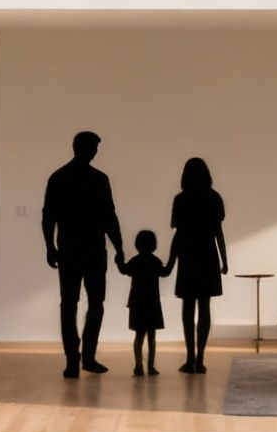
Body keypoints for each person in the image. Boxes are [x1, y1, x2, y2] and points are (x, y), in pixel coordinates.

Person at [42, 130, 124, 379]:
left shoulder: (59, 177)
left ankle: (74, 360)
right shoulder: (99, 179)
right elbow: (110, 217)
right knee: (94, 303)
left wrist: (50, 246)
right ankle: (86, 356)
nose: (95, 153)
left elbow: (48, 217)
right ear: (87, 149)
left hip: (69, 248)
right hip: (93, 250)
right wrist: (119, 248)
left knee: (69, 303)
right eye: (94, 148)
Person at [164, 156, 228, 374]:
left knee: (188, 307)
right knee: (205, 306)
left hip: (188, 256)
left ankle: (190, 357)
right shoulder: (214, 198)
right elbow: (218, 233)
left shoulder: (180, 200)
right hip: (208, 256)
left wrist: (171, 262)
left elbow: (178, 234)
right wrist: (224, 260)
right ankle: (200, 357)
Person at [119, 229, 171, 376]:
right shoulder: (155, 262)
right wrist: (173, 258)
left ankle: (138, 366)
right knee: (152, 337)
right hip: (152, 303)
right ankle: (151, 366)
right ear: (154, 245)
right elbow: (165, 272)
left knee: (139, 336)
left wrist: (119, 257)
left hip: (137, 302)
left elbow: (123, 269)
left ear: (137, 244)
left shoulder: (135, 261)